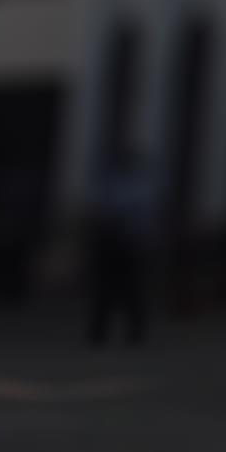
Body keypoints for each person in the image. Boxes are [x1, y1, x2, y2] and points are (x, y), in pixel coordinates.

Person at [81, 146, 155, 347]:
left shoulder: (138, 186)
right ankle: (100, 330)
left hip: (129, 244)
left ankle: (133, 332)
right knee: (106, 289)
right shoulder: (111, 183)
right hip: (112, 243)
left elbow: (142, 216)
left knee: (131, 290)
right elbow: (97, 211)